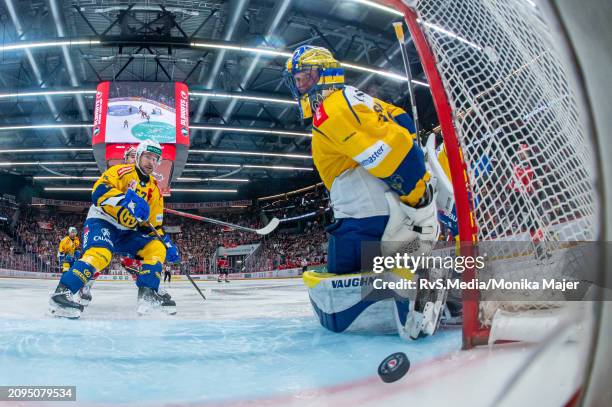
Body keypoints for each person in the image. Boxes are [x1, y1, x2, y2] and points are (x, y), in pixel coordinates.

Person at [283, 45, 441, 339]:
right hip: (379, 210)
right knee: (384, 269)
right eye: (297, 80)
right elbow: (403, 123)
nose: (299, 86)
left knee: (339, 306)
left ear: (324, 75)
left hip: (361, 217)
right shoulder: (357, 97)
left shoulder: (331, 110)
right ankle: (411, 277)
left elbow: (393, 154)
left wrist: (419, 199)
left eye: (304, 78)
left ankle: (413, 291)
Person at [49, 140, 181, 318]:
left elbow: (153, 225)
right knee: (100, 254)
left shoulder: (155, 191)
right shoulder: (121, 171)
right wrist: (126, 200)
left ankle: (148, 294)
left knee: (156, 247)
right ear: (139, 155)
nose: (151, 162)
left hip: (128, 231)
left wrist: (166, 242)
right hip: (103, 221)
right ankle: (62, 293)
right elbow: (98, 192)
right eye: (148, 156)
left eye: (155, 159)